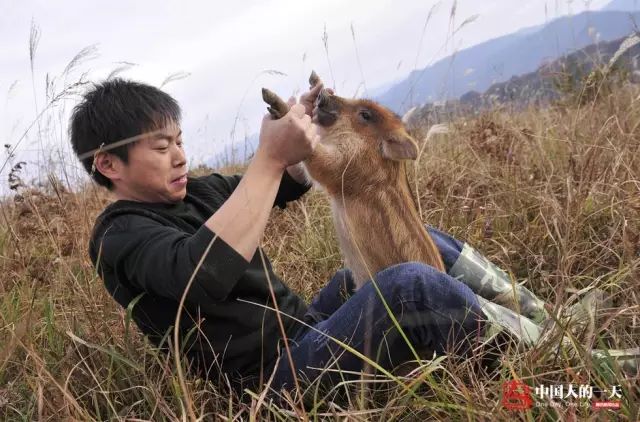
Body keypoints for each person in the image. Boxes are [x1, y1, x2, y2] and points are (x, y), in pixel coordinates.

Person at [69, 78, 485, 396]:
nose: (180, 156)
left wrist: (303, 127)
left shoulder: (202, 192)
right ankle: (511, 356)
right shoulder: (119, 234)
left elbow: (285, 183)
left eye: (179, 141)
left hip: (308, 332)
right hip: (275, 384)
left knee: (405, 250)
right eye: (162, 148)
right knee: (407, 283)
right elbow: (204, 275)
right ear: (109, 164)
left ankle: (509, 305)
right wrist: (268, 157)